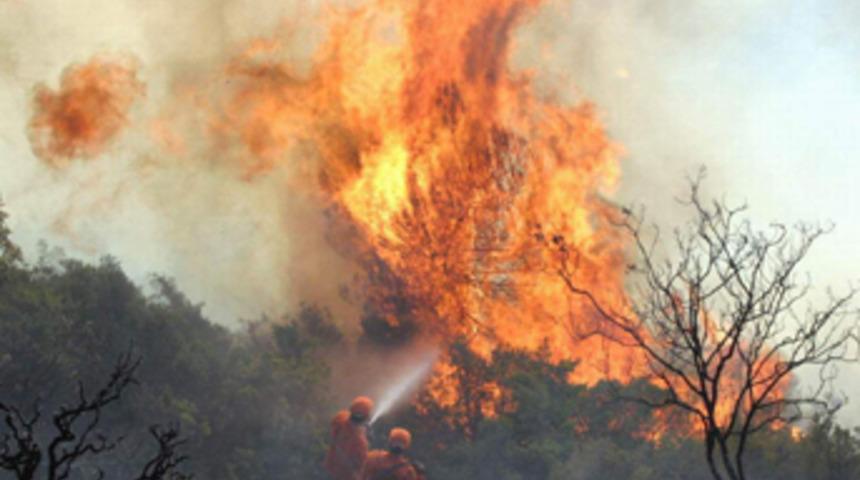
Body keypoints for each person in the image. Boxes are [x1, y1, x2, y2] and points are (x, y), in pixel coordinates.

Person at [324, 396, 374, 480]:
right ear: (365, 417)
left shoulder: (340, 419)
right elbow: (360, 464)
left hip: (330, 468)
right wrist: (366, 436)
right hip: (345, 476)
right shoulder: (360, 441)